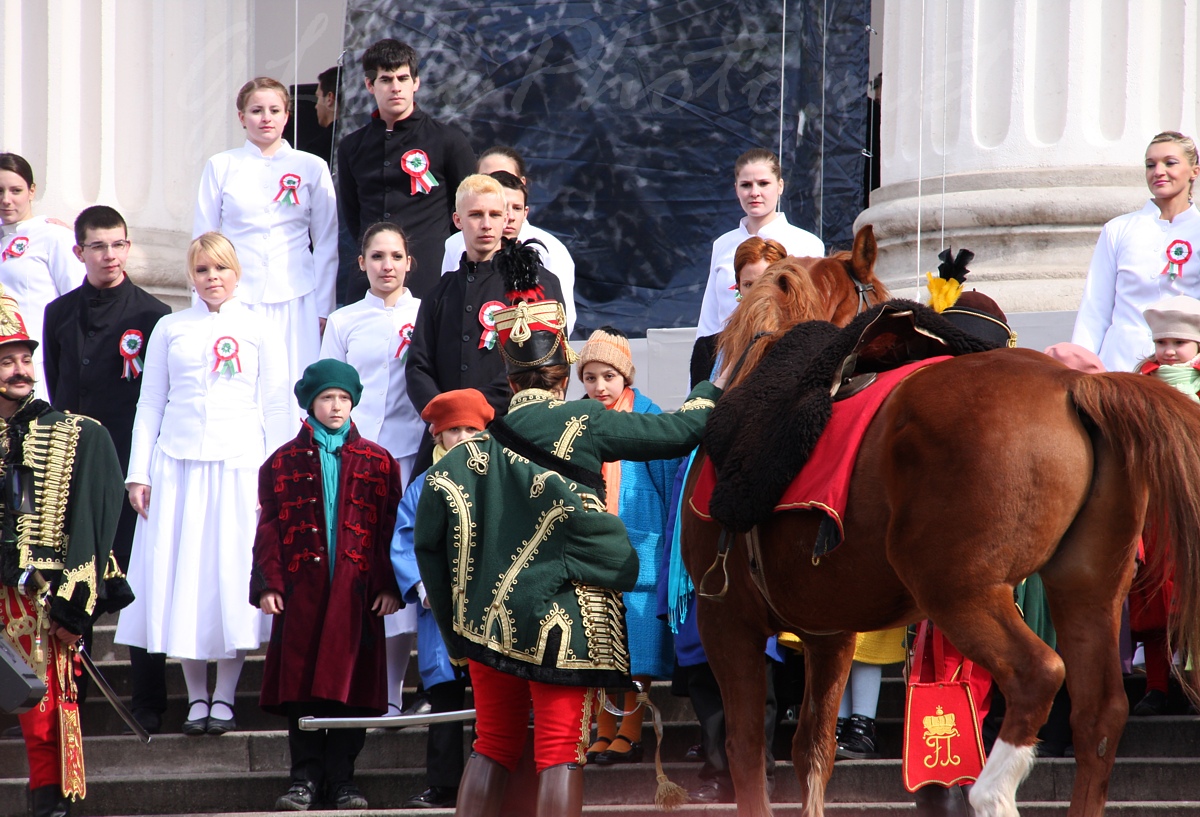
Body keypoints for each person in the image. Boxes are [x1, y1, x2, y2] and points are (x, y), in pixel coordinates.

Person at [414, 272, 725, 816]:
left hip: (484, 629)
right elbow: (679, 433)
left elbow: (430, 552)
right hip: (564, 623)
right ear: (564, 377)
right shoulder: (587, 422)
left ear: (510, 381)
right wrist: (707, 389)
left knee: (493, 746)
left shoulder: (462, 458)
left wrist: (456, 636)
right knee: (559, 751)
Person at [115, 232, 292, 736]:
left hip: (241, 466)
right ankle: (196, 697)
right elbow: (150, 403)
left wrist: (274, 478)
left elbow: (277, 405)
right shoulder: (171, 328)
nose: (212, 278)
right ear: (191, 277)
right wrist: (139, 472)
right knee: (186, 578)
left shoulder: (260, 328)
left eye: (221, 269)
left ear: (237, 273)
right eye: (202, 270)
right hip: (179, 465)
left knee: (231, 576)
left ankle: (226, 696)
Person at [42, 205, 173, 735]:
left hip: (129, 462)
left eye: (118, 244)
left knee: (136, 576)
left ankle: (149, 698)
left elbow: (156, 396)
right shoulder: (58, 313)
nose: (110, 255)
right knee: (75, 576)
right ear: (79, 252)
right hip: (74, 463)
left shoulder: (153, 312)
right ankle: (74, 690)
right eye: (98, 246)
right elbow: (56, 386)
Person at [0, 284, 130, 817]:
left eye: (25, 358)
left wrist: (77, 607)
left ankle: (50, 806)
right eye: (6, 360)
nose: (19, 369)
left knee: (45, 714)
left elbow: (94, 528)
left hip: (43, 602)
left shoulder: (82, 434)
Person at [251, 359, 403, 811]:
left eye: (343, 398)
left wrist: (389, 585)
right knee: (302, 689)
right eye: (326, 398)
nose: (336, 407)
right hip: (302, 595)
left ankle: (343, 780)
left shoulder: (379, 461)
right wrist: (268, 584)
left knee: (350, 689)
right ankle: (303, 779)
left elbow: (391, 528)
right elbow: (269, 527)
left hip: (357, 596)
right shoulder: (281, 461)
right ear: (310, 403)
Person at [319, 221, 424, 718]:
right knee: (362, 563)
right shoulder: (343, 321)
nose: (387, 265)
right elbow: (326, 386)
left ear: (409, 263)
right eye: (377, 256)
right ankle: (361, 682)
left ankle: (394, 688)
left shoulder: (426, 314)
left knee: (402, 565)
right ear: (361, 263)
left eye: (396, 256)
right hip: (357, 458)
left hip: (411, 452)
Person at [405, 174, 565, 474]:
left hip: (515, 435)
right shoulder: (439, 293)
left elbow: (546, 366)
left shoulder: (539, 283)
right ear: (457, 219)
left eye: (494, 215)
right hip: (448, 439)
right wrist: (445, 413)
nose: (486, 224)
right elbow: (417, 366)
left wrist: (475, 406)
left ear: (507, 217)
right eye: (476, 215)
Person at [193, 77, 338, 399]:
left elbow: (327, 240)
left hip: (297, 295)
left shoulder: (311, 167)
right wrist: (203, 300)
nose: (266, 118)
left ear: (287, 115)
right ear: (242, 117)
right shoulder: (222, 165)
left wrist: (323, 307)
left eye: (274, 110)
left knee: (293, 386)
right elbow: (203, 239)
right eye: (256, 110)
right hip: (237, 295)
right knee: (238, 383)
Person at [575, 326, 679, 765]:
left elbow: (667, 485)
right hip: (590, 551)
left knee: (636, 646)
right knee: (598, 644)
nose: (599, 386)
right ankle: (602, 729)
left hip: (639, 548)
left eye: (608, 377)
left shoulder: (648, 420)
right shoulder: (574, 423)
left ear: (626, 377)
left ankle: (631, 730)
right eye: (590, 377)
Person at [390, 388, 494, 810]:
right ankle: (443, 783)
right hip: (442, 613)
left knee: (490, 699)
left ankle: (489, 779)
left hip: (489, 608)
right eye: (454, 430)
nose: (463, 437)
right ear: (437, 437)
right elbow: (404, 539)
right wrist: (422, 586)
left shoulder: (498, 482)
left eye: (472, 429)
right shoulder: (421, 487)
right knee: (445, 698)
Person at [338, 38, 476, 301]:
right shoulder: (351, 147)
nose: (396, 88)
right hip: (372, 277)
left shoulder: (448, 141)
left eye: (403, 78)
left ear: (416, 82)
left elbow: (468, 212)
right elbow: (353, 216)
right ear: (370, 85)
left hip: (431, 275)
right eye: (386, 79)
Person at [1125, 294, 1200, 716]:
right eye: (1162, 342)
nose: (1169, 350)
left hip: (1195, 507)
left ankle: (1194, 685)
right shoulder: (1140, 389)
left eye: (1179, 342)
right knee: (1152, 603)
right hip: (1154, 509)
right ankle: (1156, 686)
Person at [1073, 130, 1200, 372]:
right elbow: (1095, 307)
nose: (1158, 172)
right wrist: (1082, 368)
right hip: (1119, 366)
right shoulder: (1118, 229)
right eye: (1150, 165)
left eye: (1170, 163)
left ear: (1195, 170)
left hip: (1183, 372)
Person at [441, 148, 577, 334]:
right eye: (486, 179)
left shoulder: (550, 250)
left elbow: (561, 323)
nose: (493, 187)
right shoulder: (455, 244)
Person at [695, 149, 824, 338]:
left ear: (780, 186)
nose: (754, 192)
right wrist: (703, 363)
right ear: (736, 189)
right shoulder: (723, 244)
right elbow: (710, 317)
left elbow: (816, 315)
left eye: (763, 183)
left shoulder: (808, 245)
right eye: (746, 185)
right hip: (727, 356)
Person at [0, 153, 87, 399]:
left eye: (16, 190)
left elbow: (77, 303)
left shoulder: (53, 236)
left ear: (32, 191)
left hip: (36, 366)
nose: (6, 200)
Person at [691, 236, 788, 388]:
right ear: (738, 288)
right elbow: (697, 408)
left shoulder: (800, 343)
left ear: (783, 286)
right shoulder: (708, 349)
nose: (757, 292)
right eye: (748, 284)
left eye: (765, 283)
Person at [302, 66, 339, 165]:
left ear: (329, 99)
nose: (316, 106)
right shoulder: (368, 141)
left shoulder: (317, 149)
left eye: (318, 97)